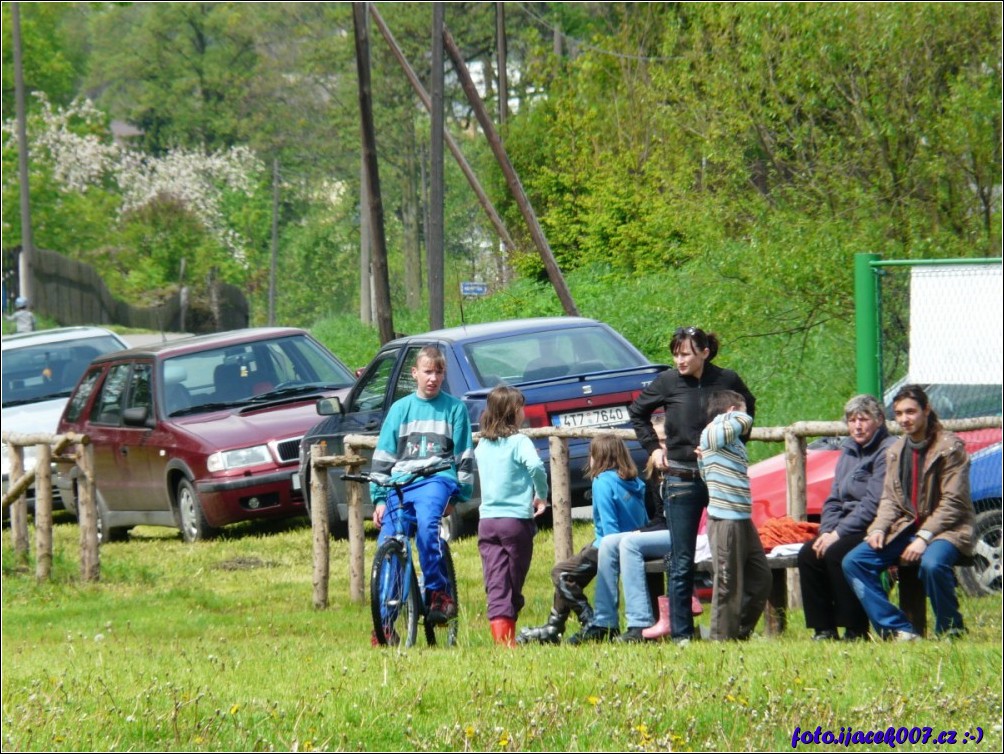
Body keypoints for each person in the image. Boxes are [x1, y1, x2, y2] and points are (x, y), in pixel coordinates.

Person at [628, 326, 755, 644]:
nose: (679, 359)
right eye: (675, 353)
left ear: (704, 353)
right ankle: (681, 634)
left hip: (720, 479)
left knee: (730, 553)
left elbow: (748, 408)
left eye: (685, 353)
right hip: (681, 478)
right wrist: (654, 449)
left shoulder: (727, 379)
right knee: (681, 558)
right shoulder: (668, 381)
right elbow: (638, 413)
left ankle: (730, 629)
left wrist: (731, 441)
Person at [842, 385, 974, 640]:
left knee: (932, 564)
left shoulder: (950, 447)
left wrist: (925, 537)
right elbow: (890, 498)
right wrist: (879, 528)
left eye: (911, 412)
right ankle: (897, 628)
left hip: (949, 529)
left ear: (926, 410)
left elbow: (953, 502)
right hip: (906, 528)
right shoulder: (896, 451)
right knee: (854, 561)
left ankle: (951, 628)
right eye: (899, 413)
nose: (904, 419)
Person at [370, 346, 475, 639]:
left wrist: (457, 496)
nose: (433, 378)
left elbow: (464, 455)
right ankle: (384, 622)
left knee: (428, 528)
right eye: (427, 371)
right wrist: (379, 497)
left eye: (439, 372)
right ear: (415, 373)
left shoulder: (454, 409)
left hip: (436, 479)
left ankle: (437, 593)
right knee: (388, 544)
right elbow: (384, 455)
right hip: (401, 482)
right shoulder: (400, 410)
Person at [517, 434, 648, 645]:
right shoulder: (635, 481)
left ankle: (591, 621)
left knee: (560, 572)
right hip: (634, 542)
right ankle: (554, 625)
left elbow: (609, 529)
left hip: (610, 545)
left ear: (598, 457)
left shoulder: (602, 481)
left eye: (591, 454)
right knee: (570, 571)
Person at [796, 394, 894, 641]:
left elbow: (873, 504)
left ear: (879, 420)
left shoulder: (887, 450)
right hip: (843, 526)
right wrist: (827, 531)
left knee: (837, 552)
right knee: (808, 554)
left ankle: (855, 628)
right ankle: (824, 629)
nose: (857, 426)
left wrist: (837, 535)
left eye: (863, 419)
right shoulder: (848, 451)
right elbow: (834, 499)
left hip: (876, 526)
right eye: (852, 420)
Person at [474, 385, 549, 647]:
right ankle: (508, 635)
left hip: (487, 522)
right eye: (521, 407)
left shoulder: (482, 444)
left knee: (496, 581)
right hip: (515, 521)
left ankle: (502, 639)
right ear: (513, 412)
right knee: (513, 581)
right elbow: (536, 466)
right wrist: (541, 493)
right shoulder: (520, 442)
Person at [698, 389, 771, 641]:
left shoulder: (731, 442)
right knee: (727, 582)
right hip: (724, 519)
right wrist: (739, 415)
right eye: (742, 411)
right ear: (731, 412)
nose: (747, 418)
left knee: (761, 577)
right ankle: (721, 638)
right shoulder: (712, 432)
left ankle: (739, 630)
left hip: (742, 516)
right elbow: (742, 421)